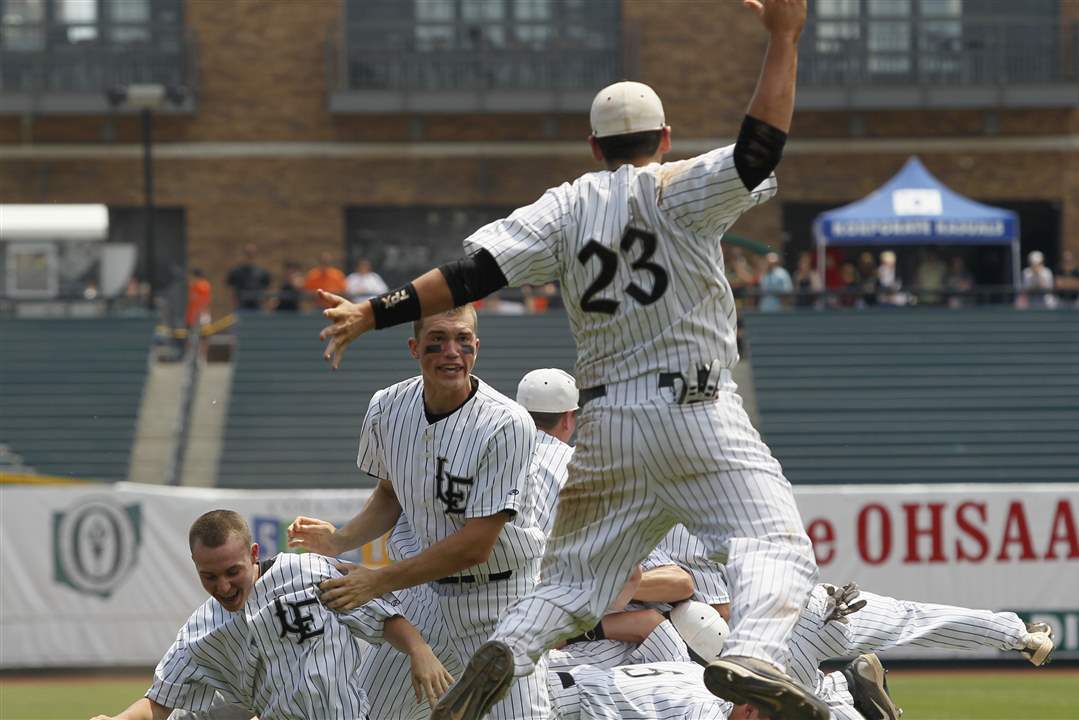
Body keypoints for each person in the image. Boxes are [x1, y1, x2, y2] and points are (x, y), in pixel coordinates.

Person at [312, 2, 825, 718]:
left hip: (607, 420)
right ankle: (752, 654)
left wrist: (374, 311)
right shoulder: (678, 186)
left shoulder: (563, 206)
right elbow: (756, 151)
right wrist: (783, 37)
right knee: (773, 542)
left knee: (572, 583)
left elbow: (469, 274)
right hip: (694, 405)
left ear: (592, 148)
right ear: (665, 138)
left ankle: (510, 647)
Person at [287, 306, 552, 719]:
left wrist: (376, 581)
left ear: (477, 347)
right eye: (438, 340)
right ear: (414, 347)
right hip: (425, 594)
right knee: (368, 714)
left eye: (463, 340)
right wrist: (340, 539)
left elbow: (475, 547)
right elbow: (390, 494)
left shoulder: (507, 423)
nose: (452, 351)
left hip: (501, 599)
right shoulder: (387, 406)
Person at [88, 510, 452, 720]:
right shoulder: (199, 633)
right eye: (209, 577)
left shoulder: (308, 573)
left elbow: (380, 613)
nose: (224, 586)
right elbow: (160, 701)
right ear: (195, 567)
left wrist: (419, 650)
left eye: (233, 572)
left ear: (253, 553)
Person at [544, 654, 892, 720]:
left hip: (557, 682)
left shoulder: (697, 674)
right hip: (551, 707)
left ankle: (845, 694)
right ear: (750, 707)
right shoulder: (704, 711)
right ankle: (845, 694)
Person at [225, 244, 271, 311]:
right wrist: (234, 302)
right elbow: (229, 289)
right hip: (241, 306)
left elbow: (267, 289)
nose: (250, 256)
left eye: (252, 254)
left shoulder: (262, 272)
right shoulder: (236, 272)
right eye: (247, 253)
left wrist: (265, 303)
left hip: (257, 306)